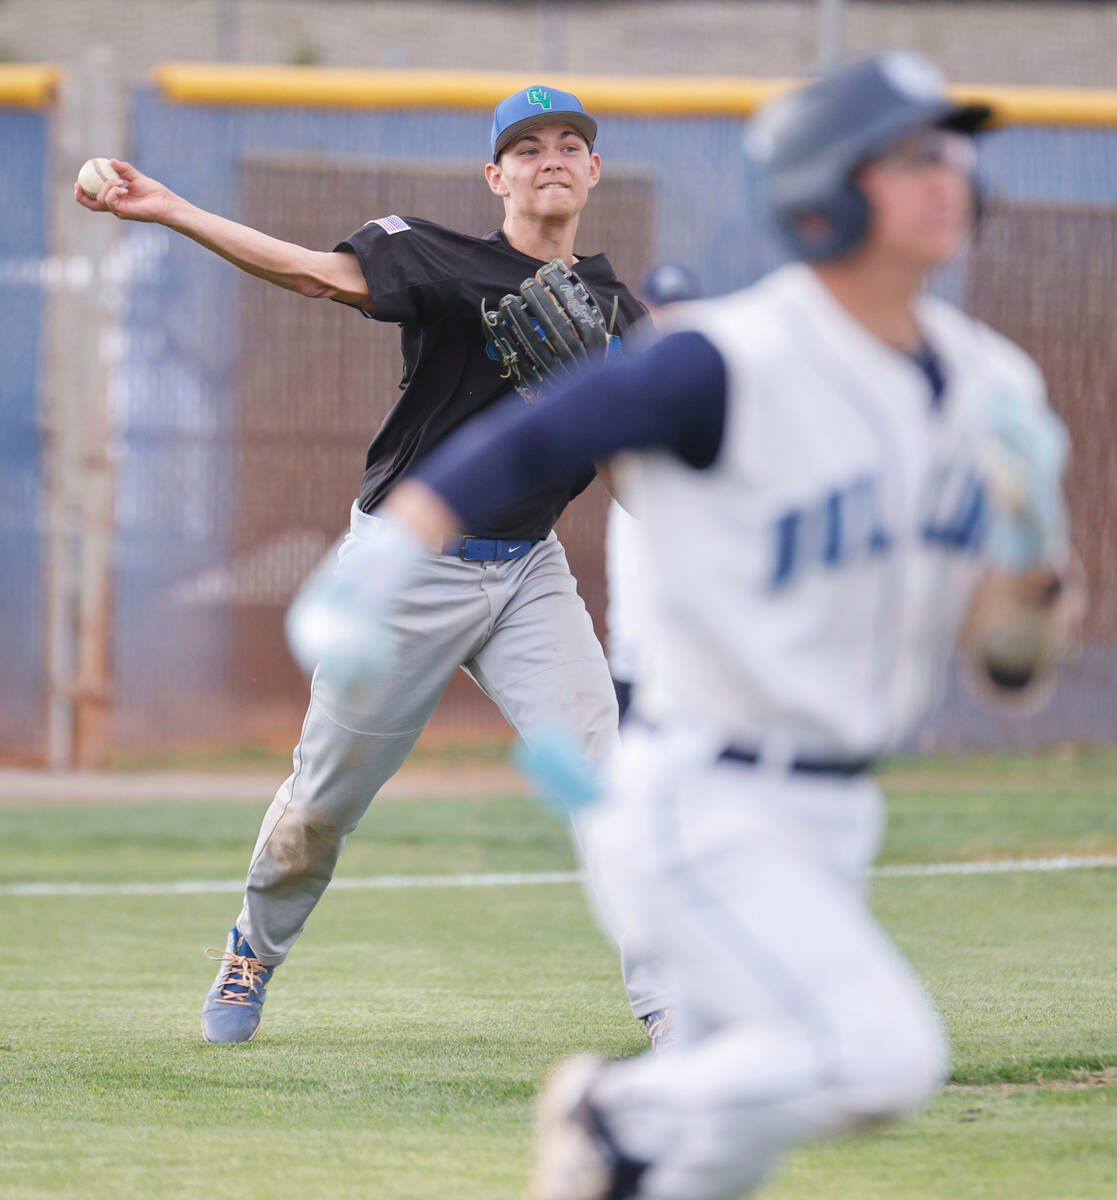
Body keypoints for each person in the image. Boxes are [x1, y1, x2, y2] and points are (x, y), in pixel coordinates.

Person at [287, 52, 1079, 1199]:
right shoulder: (732, 356)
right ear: (828, 188)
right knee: (879, 1056)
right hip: (704, 808)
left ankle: (629, 1155)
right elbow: (536, 436)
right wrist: (377, 570)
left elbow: (1009, 667)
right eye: (908, 156)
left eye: (950, 153)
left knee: (726, 1146)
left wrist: (1032, 559)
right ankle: (614, 1109)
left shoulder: (987, 383)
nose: (946, 176)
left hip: (835, 814)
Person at [75, 84, 670, 1044]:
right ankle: (251, 953)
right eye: (526, 148)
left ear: (594, 171)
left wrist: (599, 404)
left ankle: (670, 1001)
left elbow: (642, 492)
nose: (550, 157)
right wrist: (172, 211)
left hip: (528, 574)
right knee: (321, 804)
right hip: (406, 569)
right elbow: (314, 275)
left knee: (610, 784)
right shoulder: (438, 254)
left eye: (569, 144)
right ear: (496, 175)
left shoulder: (615, 314)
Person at [605, 262, 702, 724]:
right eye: (662, 308)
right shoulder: (630, 364)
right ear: (645, 309)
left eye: (679, 307)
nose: (669, 319)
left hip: (696, 512)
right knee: (633, 630)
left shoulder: (705, 366)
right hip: (636, 506)